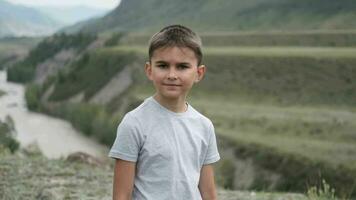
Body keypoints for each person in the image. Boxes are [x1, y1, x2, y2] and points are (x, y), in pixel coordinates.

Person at [108, 24, 220, 200]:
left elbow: (208, 192)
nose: (172, 75)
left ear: (199, 73)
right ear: (149, 70)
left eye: (182, 67)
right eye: (163, 65)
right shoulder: (134, 123)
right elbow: (121, 195)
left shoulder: (204, 126)